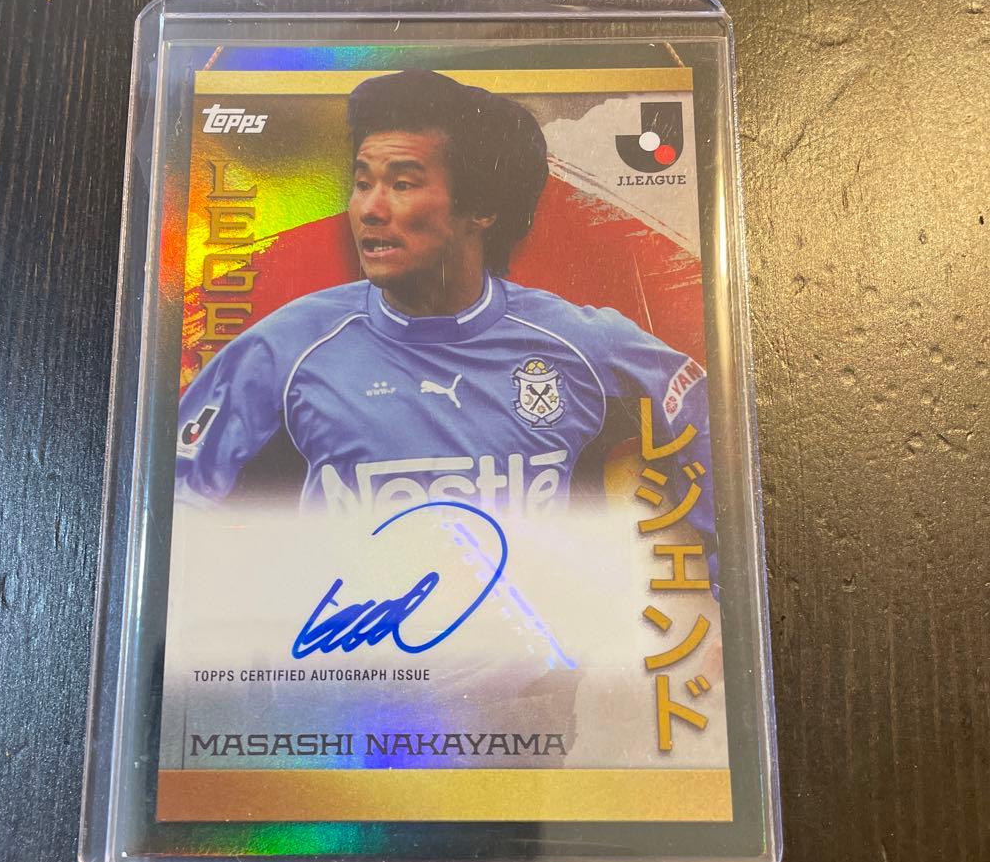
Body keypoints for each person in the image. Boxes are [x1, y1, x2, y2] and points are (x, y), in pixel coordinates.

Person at [174, 70, 714, 545]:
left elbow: (701, 405)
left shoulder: (575, 341)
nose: (370, 209)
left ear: (480, 207)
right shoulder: (292, 342)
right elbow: (175, 491)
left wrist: (716, 581)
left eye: (402, 184)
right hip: (353, 629)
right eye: (362, 183)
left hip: (528, 631)